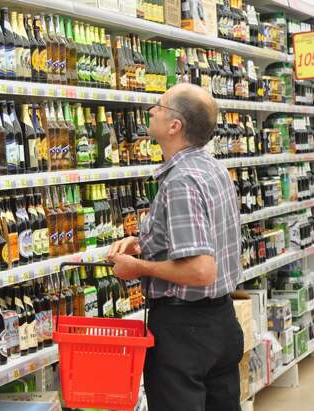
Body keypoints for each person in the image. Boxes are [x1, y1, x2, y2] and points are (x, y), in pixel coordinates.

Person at [107, 83, 243, 411]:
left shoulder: (181, 181)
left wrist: (138, 268)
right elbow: (204, 236)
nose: (151, 111)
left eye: (159, 106)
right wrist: (145, 244)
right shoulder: (212, 168)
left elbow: (200, 270)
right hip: (221, 322)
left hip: (185, 333)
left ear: (174, 126)